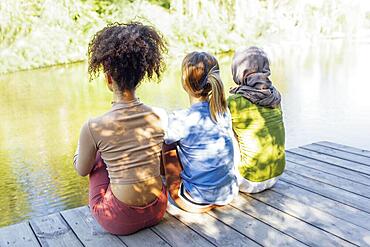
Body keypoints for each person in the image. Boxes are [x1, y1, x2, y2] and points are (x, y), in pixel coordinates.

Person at [73, 22, 168, 235]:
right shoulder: (159, 115)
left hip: (119, 221)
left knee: (96, 157)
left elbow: (81, 170)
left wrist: (80, 152)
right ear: (141, 76)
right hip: (159, 209)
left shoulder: (93, 126)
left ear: (108, 78)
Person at [162, 51, 238, 213]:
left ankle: (165, 187)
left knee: (166, 144)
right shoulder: (223, 112)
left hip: (196, 200)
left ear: (184, 82)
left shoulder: (180, 119)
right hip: (228, 193)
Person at [227, 46, 285, 193]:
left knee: (225, 130)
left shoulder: (234, 102)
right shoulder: (275, 95)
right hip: (277, 174)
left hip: (248, 180)